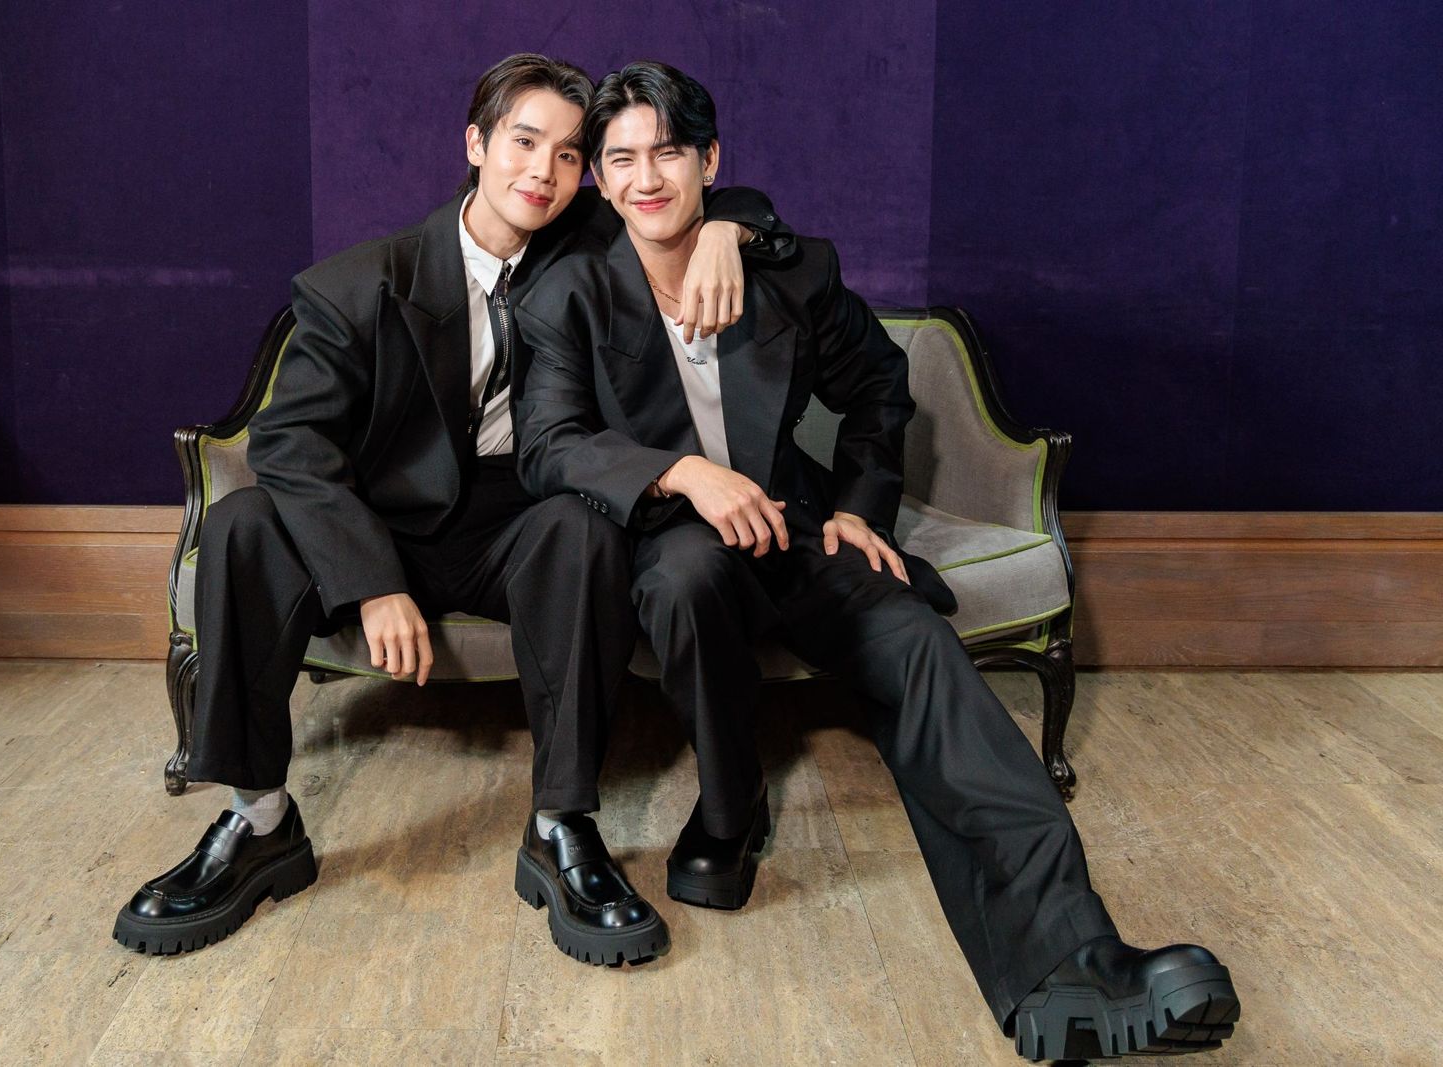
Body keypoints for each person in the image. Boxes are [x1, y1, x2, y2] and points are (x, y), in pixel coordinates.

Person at [514, 60, 1240, 1060]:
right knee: (685, 577)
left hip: (796, 534)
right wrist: (684, 473)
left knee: (921, 652)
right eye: (623, 160)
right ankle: (727, 813)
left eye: (668, 153)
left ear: (709, 161)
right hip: (671, 548)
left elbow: (881, 387)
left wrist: (860, 509)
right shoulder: (569, 291)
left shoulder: (787, 271)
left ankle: (1071, 963)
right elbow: (548, 443)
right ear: (598, 179)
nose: (647, 178)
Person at [112, 53, 791, 968]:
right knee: (242, 524)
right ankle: (257, 819)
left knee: (584, 524)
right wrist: (373, 583)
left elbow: (688, 188)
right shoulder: (360, 283)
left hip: (515, 518)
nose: (543, 172)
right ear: (475, 144)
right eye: (523, 143)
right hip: (381, 518)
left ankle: (561, 823)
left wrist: (727, 231)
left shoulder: (587, 242)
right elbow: (288, 446)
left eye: (568, 154)